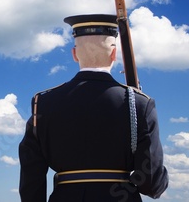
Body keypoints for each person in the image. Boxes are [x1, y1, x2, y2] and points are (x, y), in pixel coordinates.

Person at [18, 14, 168, 201]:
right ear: (114, 54)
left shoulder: (43, 103)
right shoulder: (140, 103)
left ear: (74, 54)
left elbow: (31, 177)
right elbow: (151, 183)